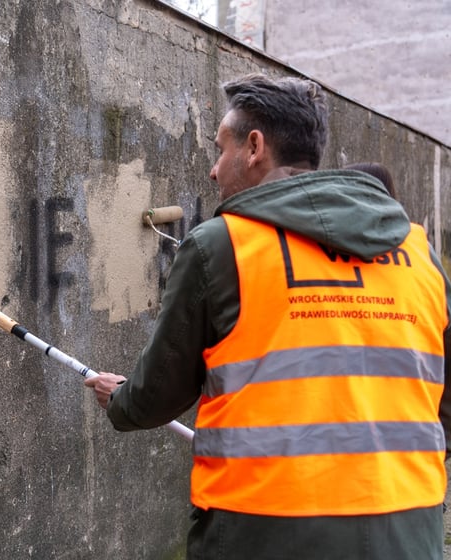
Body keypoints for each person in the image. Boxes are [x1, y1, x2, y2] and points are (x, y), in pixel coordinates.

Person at [85, 73, 451, 560]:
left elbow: (157, 396)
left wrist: (122, 401)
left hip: (264, 532)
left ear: (254, 147)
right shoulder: (419, 253)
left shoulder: (221, 246)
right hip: (409, 531)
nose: (214, 171)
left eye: (221, 149)